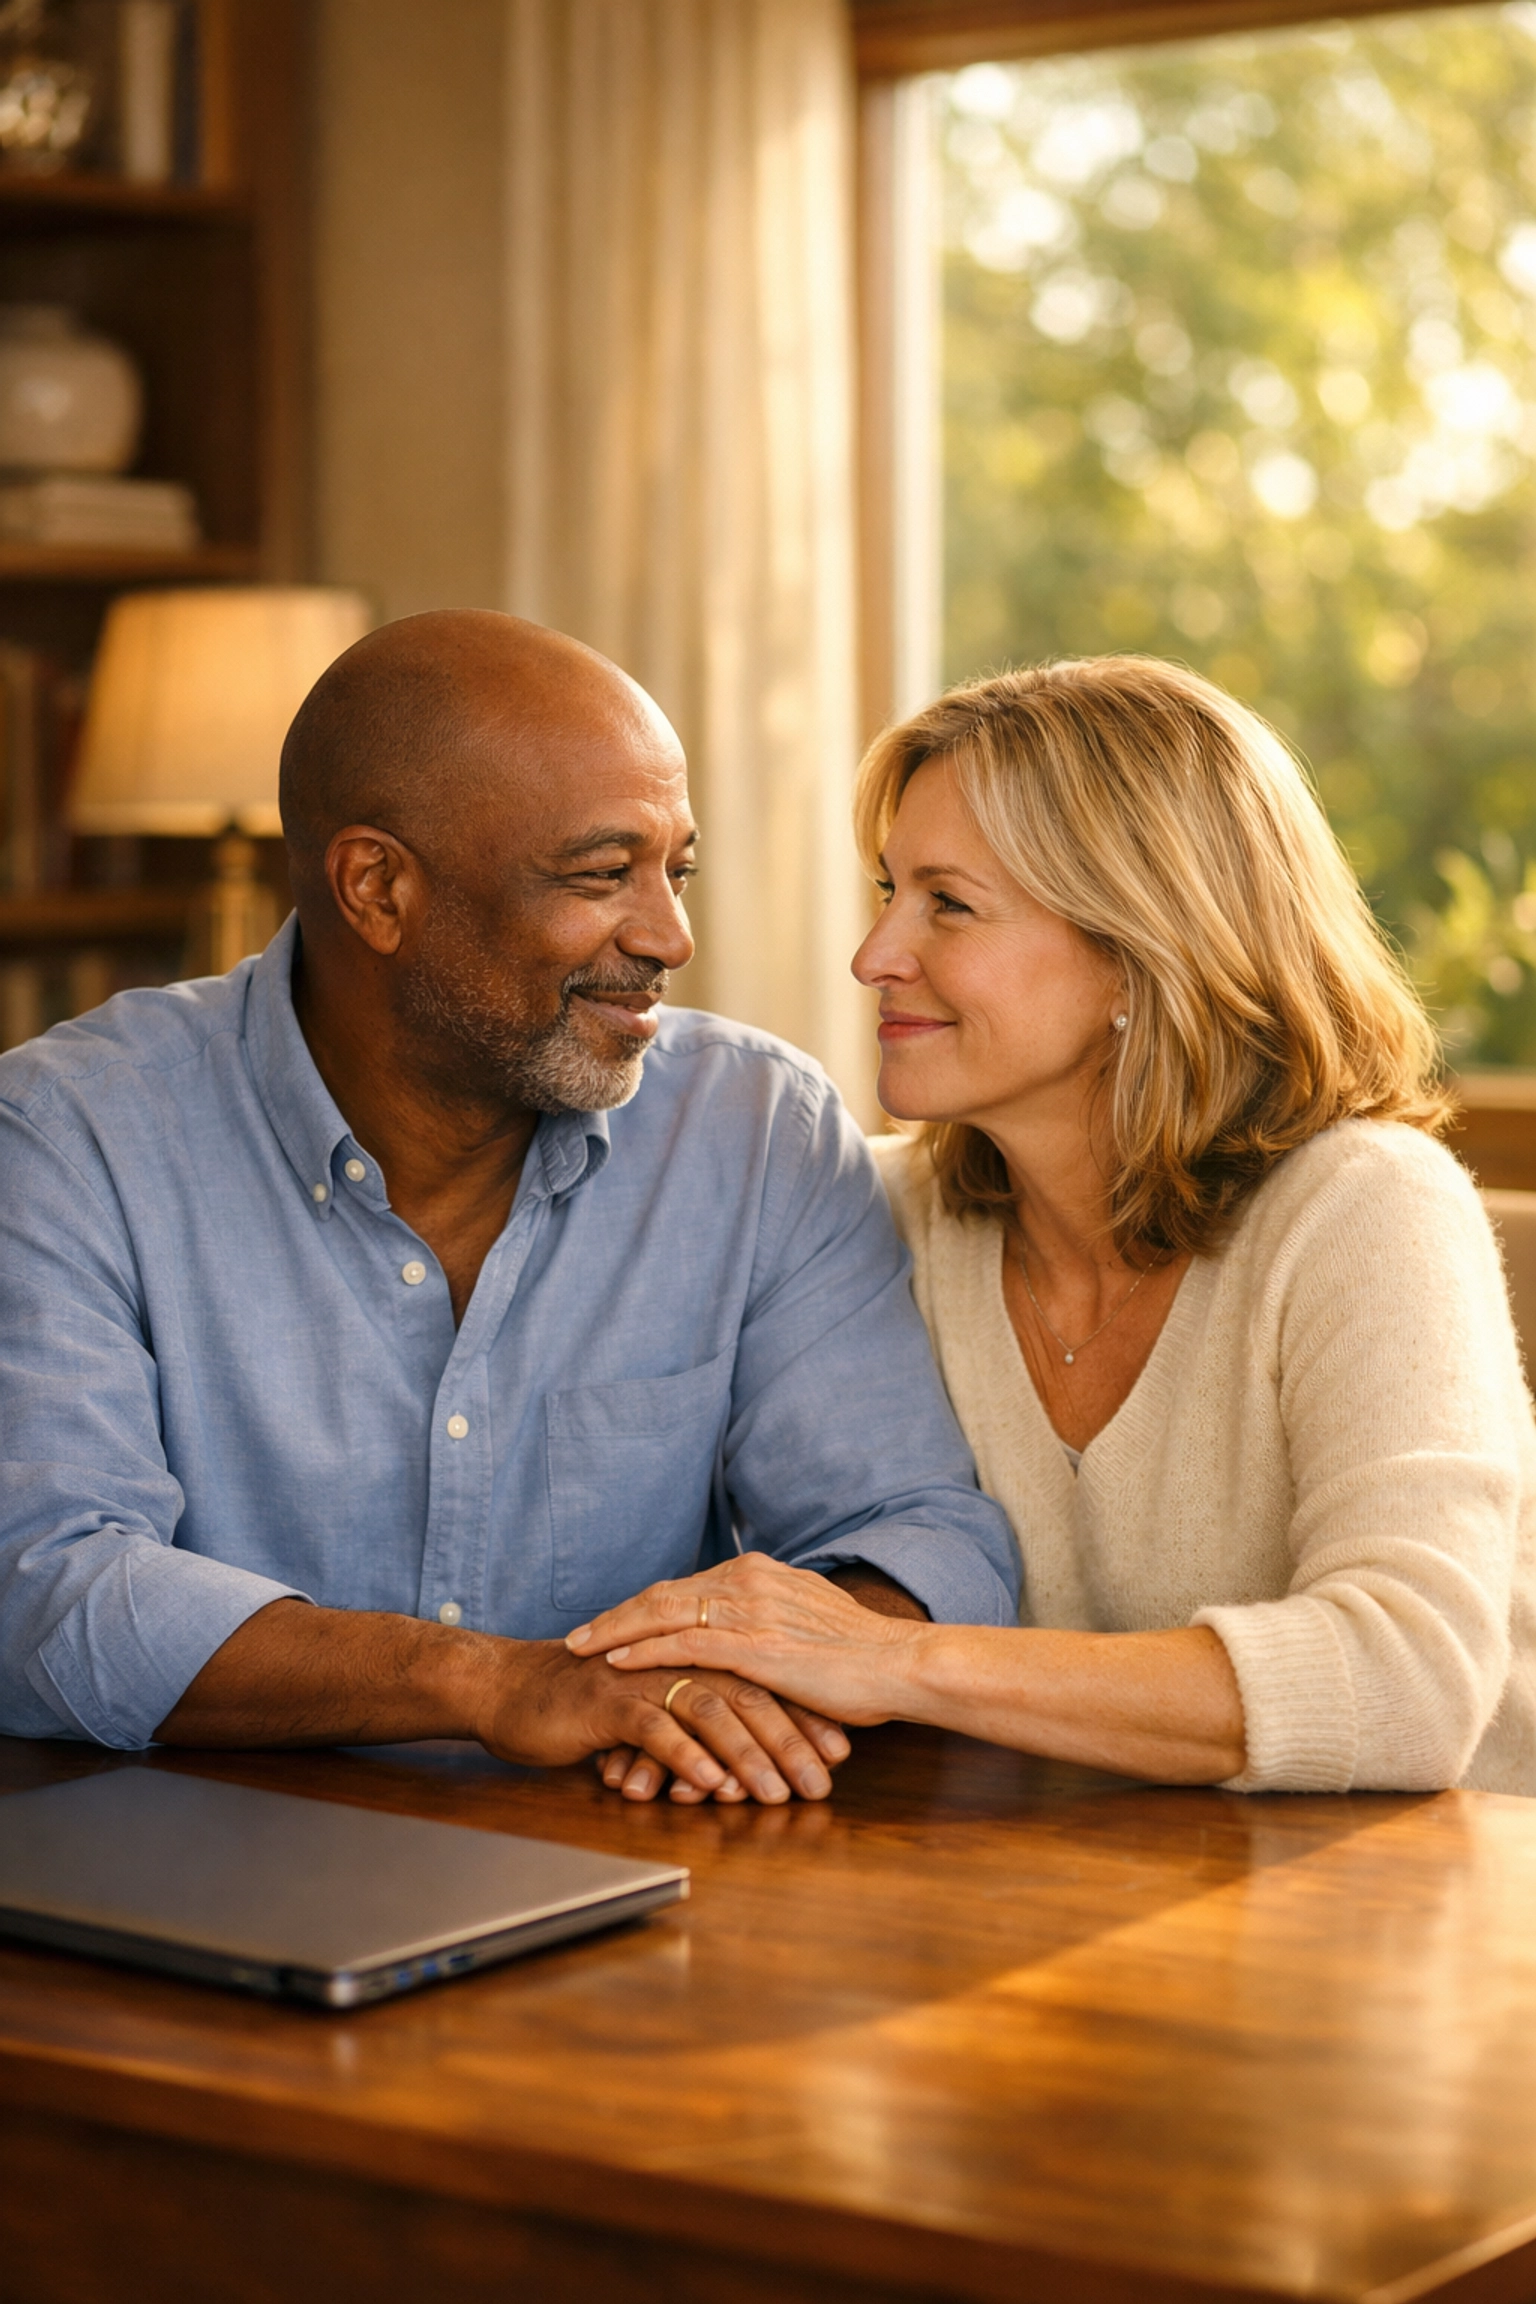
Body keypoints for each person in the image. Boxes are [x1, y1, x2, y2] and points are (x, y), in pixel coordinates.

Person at [0, 610, 1019, 1803]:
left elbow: (914, 1535)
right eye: (601, 876)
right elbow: (43, 1586)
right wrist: (495, 1685)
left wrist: (772, 1688)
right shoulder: (71, 1135)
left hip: (638, 1860)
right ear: (376, 888)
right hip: (196, 1870)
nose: (669, 936)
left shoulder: (755, 1128)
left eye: (675, 870)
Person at [570, 655, 1536, 1795]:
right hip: (1069, 1895)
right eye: (889, 893)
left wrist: (897, 1662)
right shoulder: (868, 1215)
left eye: (951, 905)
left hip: (1431, 1909)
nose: (875, 956)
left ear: (1140, 951)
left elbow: (1407, 1686)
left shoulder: (1366, 1209)